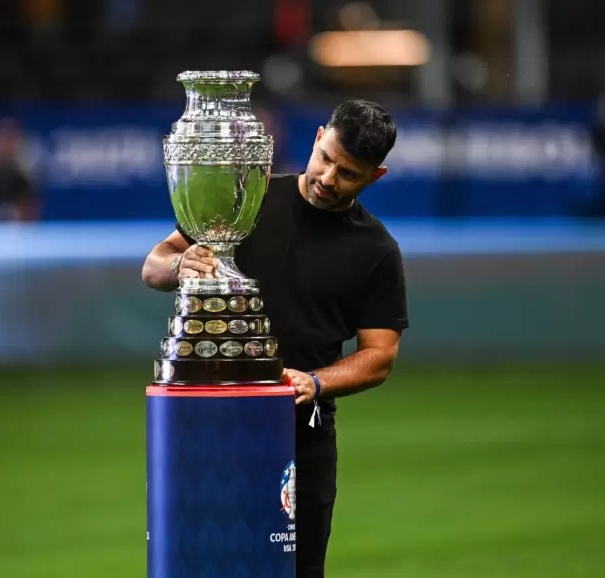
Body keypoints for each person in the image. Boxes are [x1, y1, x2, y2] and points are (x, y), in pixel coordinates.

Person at [141, 99, 409, 577]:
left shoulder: (377, 252)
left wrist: (315, 382)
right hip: (210, 422)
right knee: (200, 565)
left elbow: (380, 355)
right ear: (317, 137)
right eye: (326, 158)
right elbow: (153, 266)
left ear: (377, 176)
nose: (328, 178)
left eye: (348, 173)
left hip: (299, 435)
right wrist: (181, 265)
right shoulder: (248, 201)